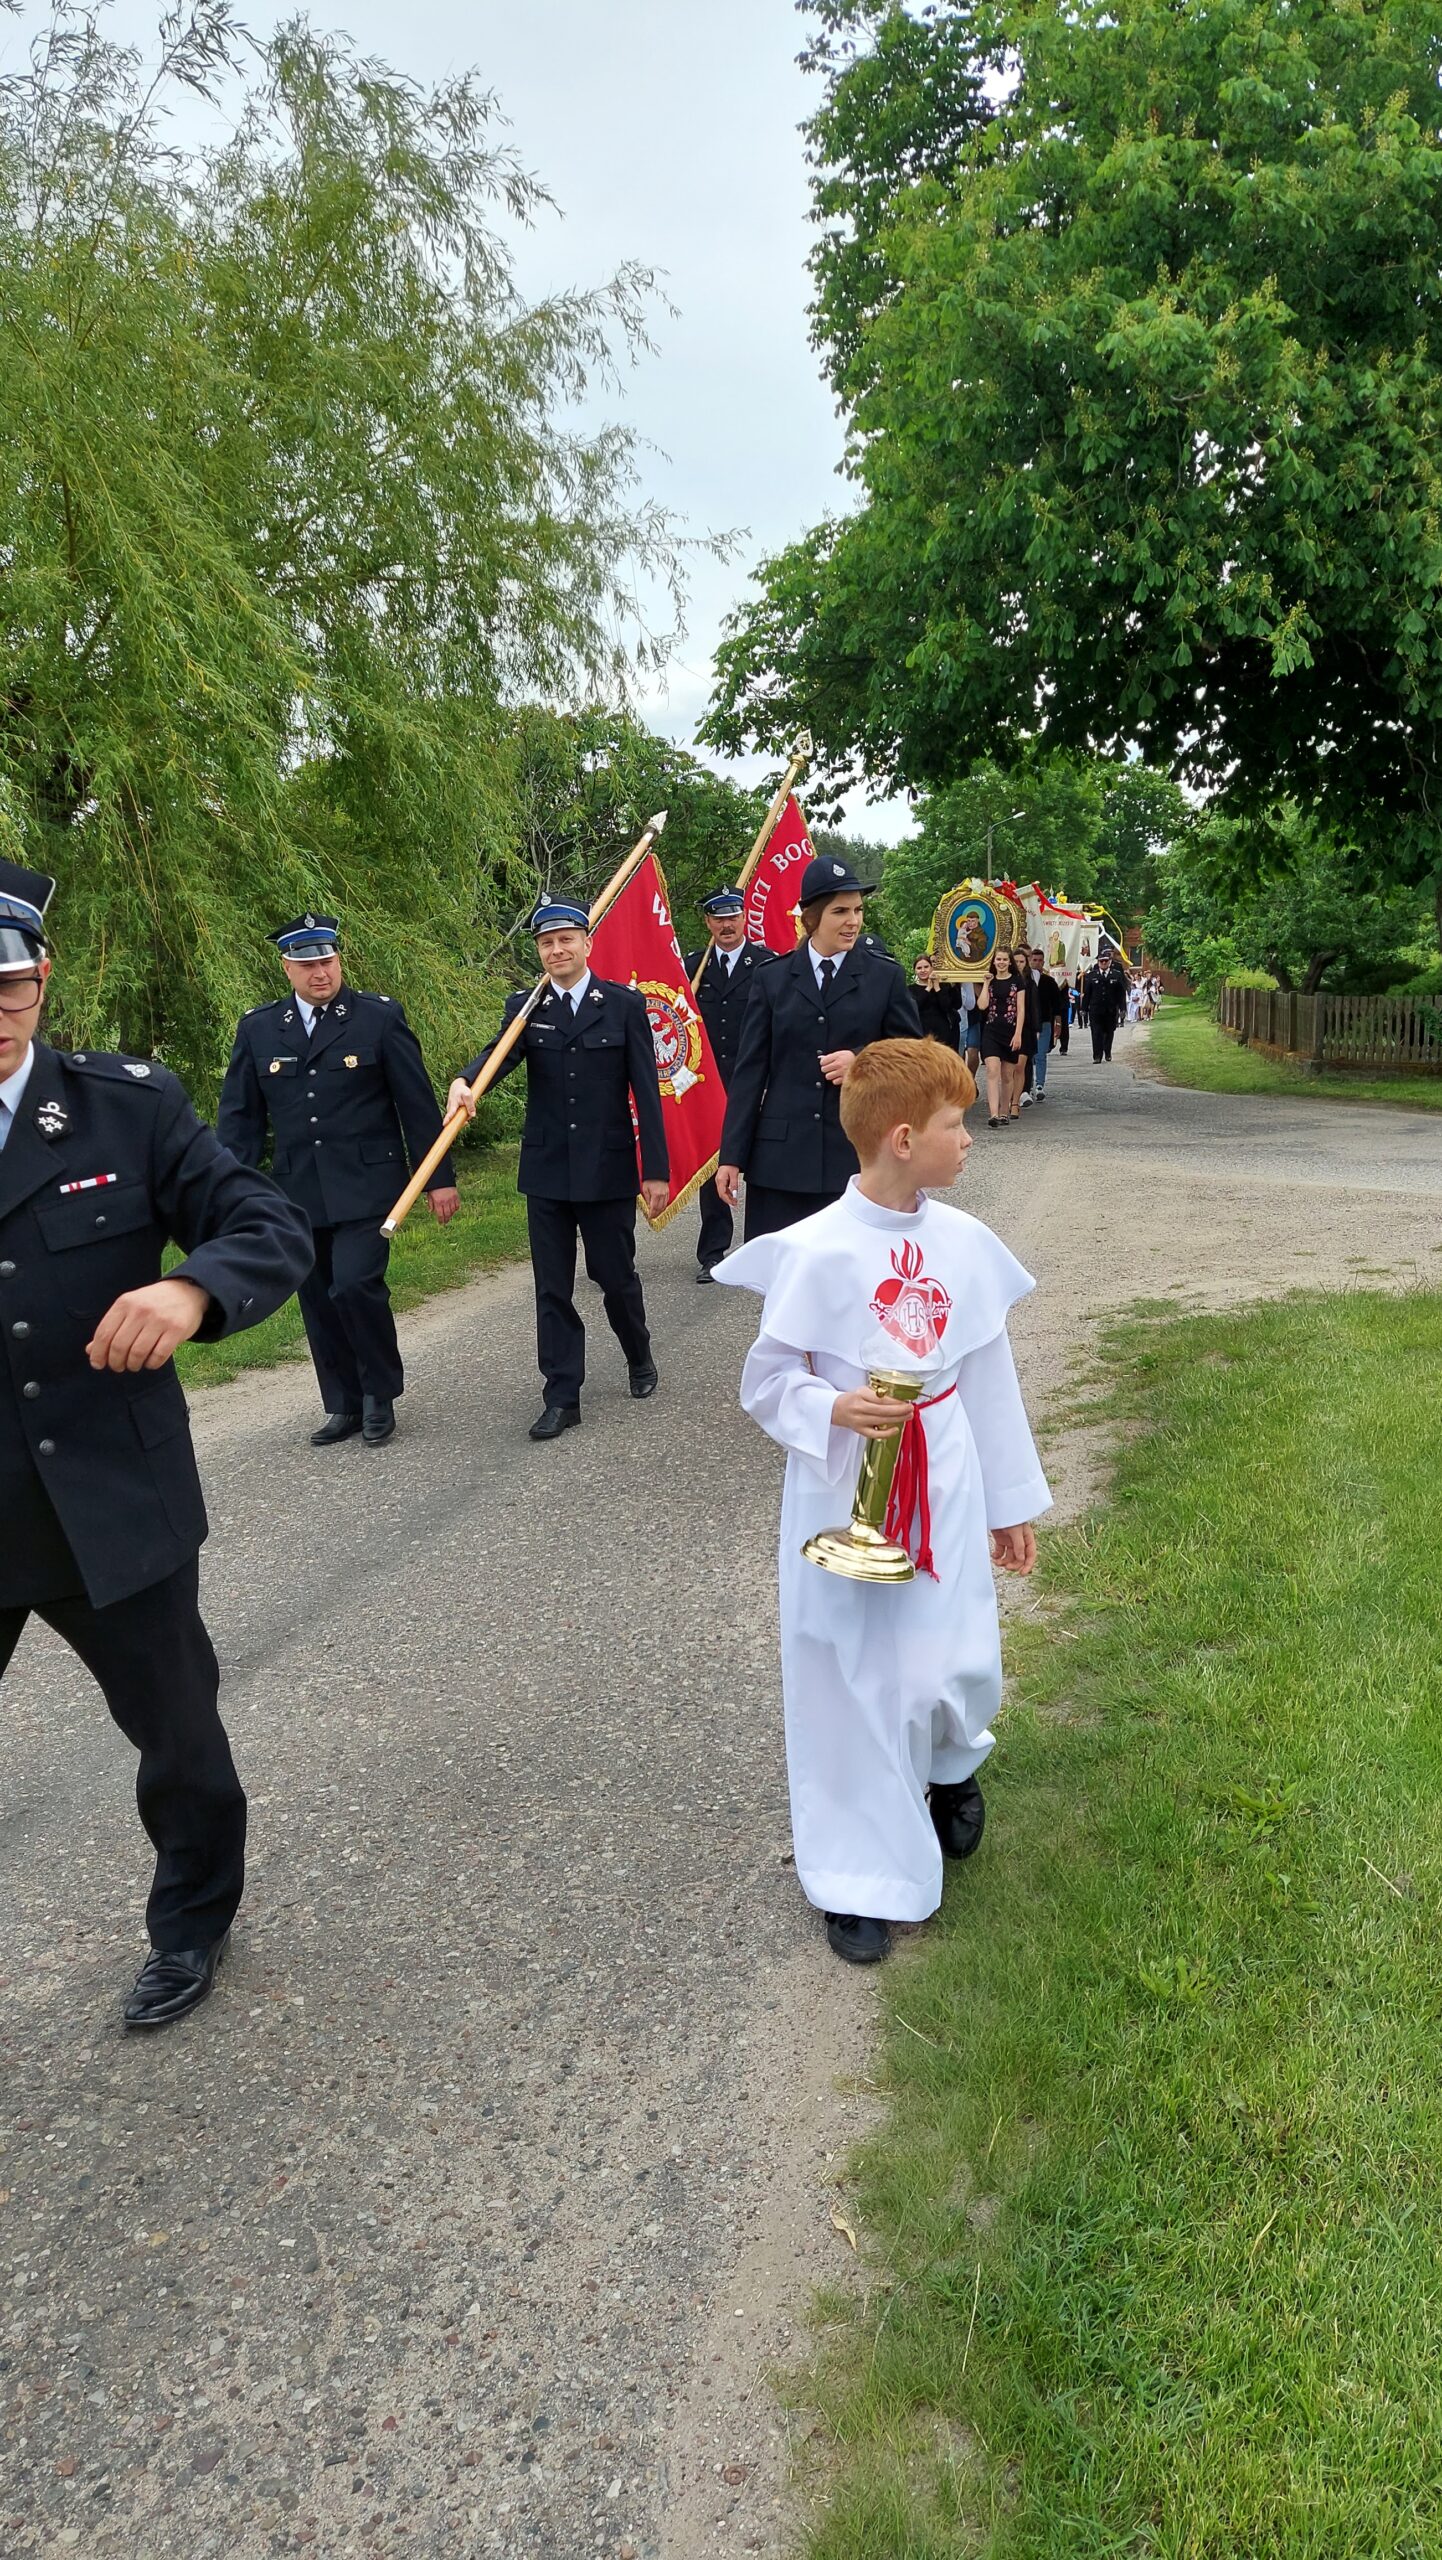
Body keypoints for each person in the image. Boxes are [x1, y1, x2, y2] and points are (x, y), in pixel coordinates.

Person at [0, 861, 313, 2029]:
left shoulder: (124, 1107)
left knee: (180, 1739)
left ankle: (192, 1922)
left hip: (112, 1494)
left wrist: (193, 1289)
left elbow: (265, 1221)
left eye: (10, 987)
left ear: (41, 979)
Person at [713, 1038, 1050, 1965]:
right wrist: (830, 1406)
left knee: (952, 1659)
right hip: (841, 1488)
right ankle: (857, 1873)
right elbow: (767, 1382)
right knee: (851, 1670)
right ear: (904, 1139)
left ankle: (950, 1762)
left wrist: (1009, 1503)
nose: (968, 1137)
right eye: (955, 1124)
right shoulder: (817, 1251)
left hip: (943, 1475)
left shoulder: (964, 1245)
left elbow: (988, 1379)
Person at [217, 915, 457, 1448]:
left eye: (327, 961)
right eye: (307, 965)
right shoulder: (259, 1028)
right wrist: (227, 1194)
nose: (320, 973)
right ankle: (343, 1403)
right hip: (298, 1192)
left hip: (370, 1186)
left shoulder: (378, 1018)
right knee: (318, 1298)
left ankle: (378, 1394)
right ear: (287, 968)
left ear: (338, 961)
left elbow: (416, 1105)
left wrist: (437, 1178)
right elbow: (240, 1121)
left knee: (354, 1285)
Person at [445, 898, 669, 1441]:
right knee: (552, 1287)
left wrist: (656, 1169)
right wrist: (465, 1082)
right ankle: (562, 1395)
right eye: (546, 942)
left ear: (587, 944)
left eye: (566, 939)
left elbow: (646, 1091)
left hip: (607, 1168)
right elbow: (498, 1056)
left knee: (614, 1277)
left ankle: (638, 1352)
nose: (557, 949)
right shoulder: (527, 1007)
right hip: (547, 1169)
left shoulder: (623, 1005)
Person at [714, 854, 922, 1240]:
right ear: (811, 917)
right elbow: (750, 1073)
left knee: (853, 1271)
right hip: (779, 1165)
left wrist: (863, 1062)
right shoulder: (772, 979)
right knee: (781, 1271)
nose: (853, 921)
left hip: (856, 1160)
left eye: (858, 910)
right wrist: (731, 1156)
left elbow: (915, 1056)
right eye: (840, 911)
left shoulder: (884, 977)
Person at [684, 889, 774, 1283]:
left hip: (757, 1080)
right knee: (715, 1168)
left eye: (733, 917)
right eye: (718, 918)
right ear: (708, 922)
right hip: (709, 1084)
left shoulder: (767, 965)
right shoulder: (692, 967)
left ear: (744, 918)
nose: (726, 925)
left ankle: (764, 1250)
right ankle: (713, 1253)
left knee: (764, 1166)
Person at [974, 947, 1023, 1126]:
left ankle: (1004, 1111)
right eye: (998, 959)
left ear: (1010, 962)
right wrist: (986, 984)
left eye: (1004, 959)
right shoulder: (991, 981)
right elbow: (982, 1005)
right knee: (992, 1070)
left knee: (1007, 1075)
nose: (1001, 962)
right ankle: (993, 1114)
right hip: (991, 1030)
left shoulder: (1017, 981)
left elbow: (1021, 1010)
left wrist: (1018, 1034)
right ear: (993, 962)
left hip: (1010, 1030)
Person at [1030, 947, 1065, 1101]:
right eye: (1034, 960)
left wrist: (1058, 1023)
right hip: (1028, 1023)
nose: (1037, 963)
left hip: (1044, 1022)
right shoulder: (1024, 980)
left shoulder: (1049, 982)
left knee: (1040, 1054)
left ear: (1043, 962)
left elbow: (1057, 1005)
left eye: (1039, 960)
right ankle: (1026, 1085)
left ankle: (1039, 1084)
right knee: (1027, 1056)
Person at [1084, 943, 1129, 1062]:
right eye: (1101, 961)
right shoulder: (1092, 975)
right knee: (1096, 1033)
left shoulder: (1116, 974)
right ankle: (1097, 1056)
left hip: (1110, 1009)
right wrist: (1083, 1008)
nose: (1103, 963)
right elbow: (1087, 993)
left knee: (1109, 1032)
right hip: (1096, 1010)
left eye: (1105, 961)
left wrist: (1122, 1008)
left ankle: (1107, 1051)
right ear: (1098, 962)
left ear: (1109, 962)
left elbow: (1121, 994)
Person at [912, 952, 964, 1050]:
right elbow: (915, 1007)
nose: (923, 970)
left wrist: (937, 987)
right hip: (921, 1032)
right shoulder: (911, 989)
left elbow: (947, 1007)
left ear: (932, 968)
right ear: (914, 970)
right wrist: (928, 988)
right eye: (919, 968)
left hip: (943, 1032)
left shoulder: (944, 986)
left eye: (926, 967)